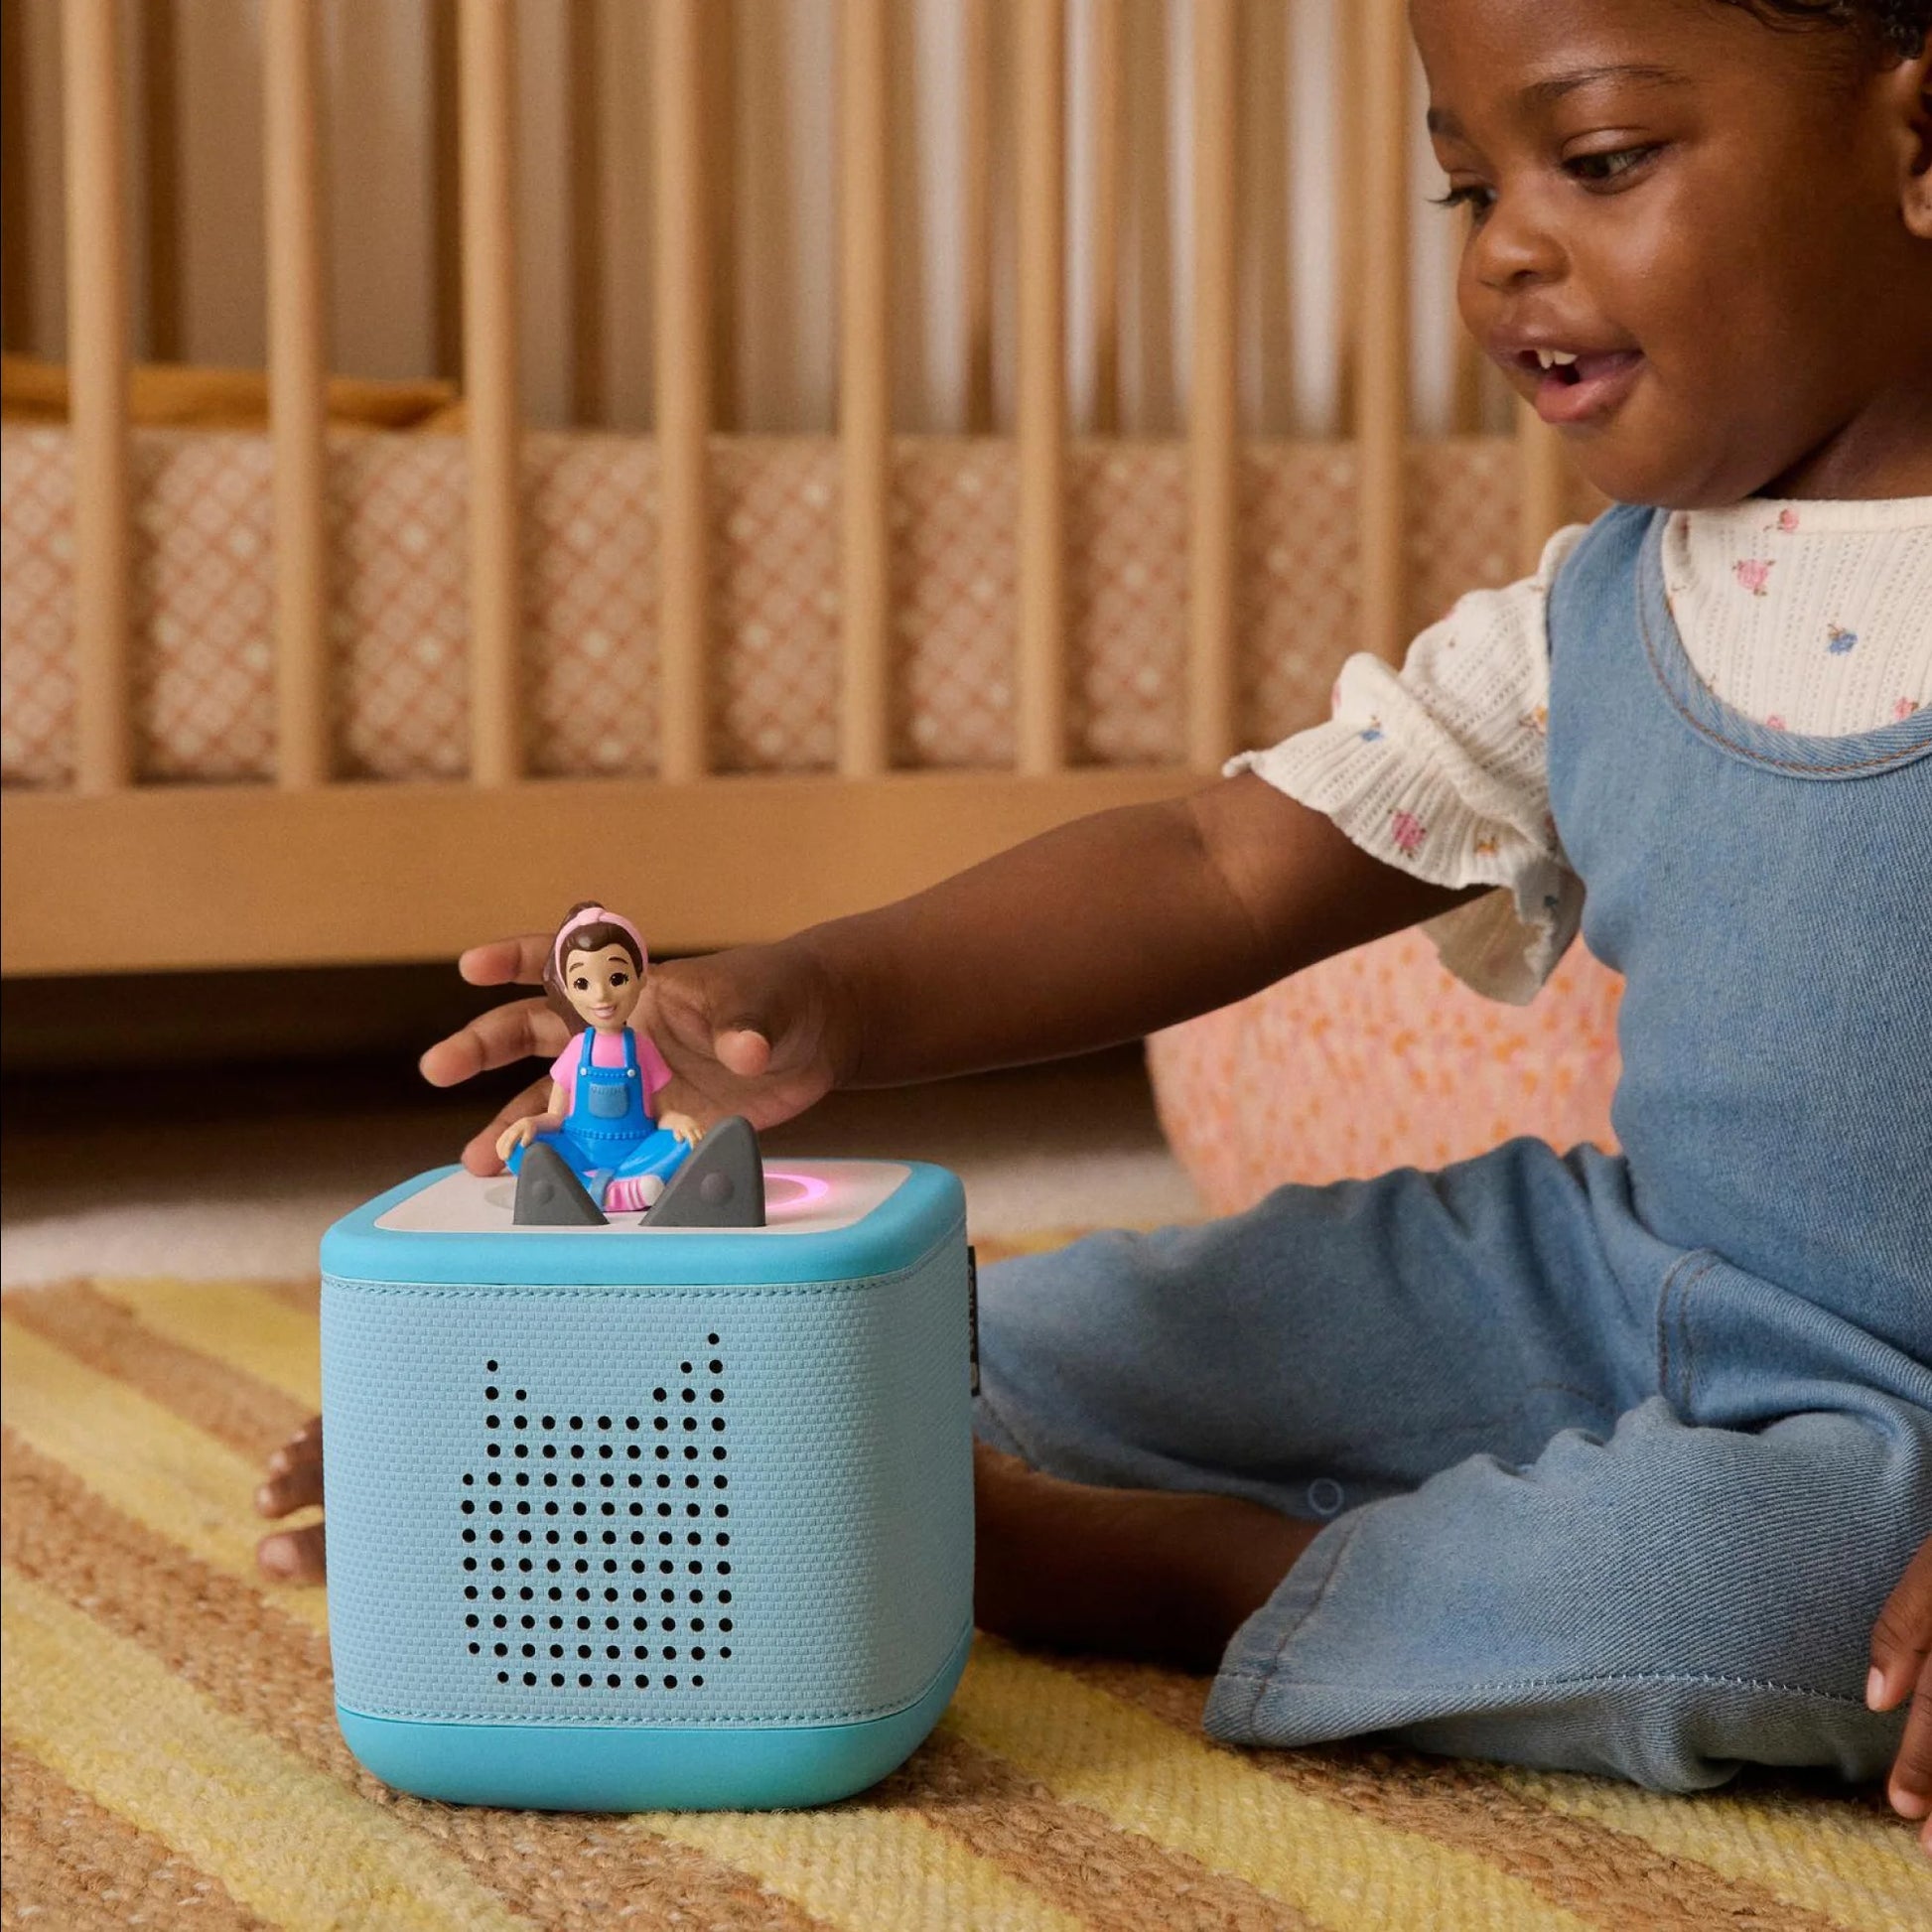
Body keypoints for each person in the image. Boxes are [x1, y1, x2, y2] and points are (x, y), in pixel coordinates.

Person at [259, 0, 1932, 1831]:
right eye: (1467, 191)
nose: (1511, 249)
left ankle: (1178, 1574)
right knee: (985, 1337)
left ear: (1917, 143)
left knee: (1735, 1595)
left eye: (1600, 162)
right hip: (1617, 1271)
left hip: (1895, 1441)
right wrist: (824, 994)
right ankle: (628, 1426)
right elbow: (1222, 863)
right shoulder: (1601, 605)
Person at [495, 902, 703, 1213]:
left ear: (640, 977)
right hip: (579, 1150)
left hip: (636, 1151)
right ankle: (620, 1192)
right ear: (567, 989)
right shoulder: (577, 1050)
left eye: (617, 978)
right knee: (521, 1150)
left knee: (686, 1144)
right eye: (582, 983)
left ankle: (580, 1190)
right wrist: (528, 1123)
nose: (601, 997)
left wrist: (680, 1121)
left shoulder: (642, 1048)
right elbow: (555, 1116)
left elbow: (663, 1113)